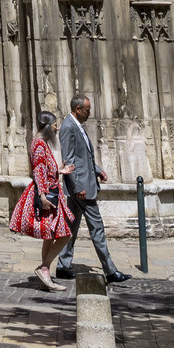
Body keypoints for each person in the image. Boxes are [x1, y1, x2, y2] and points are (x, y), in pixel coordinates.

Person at [54, 91, 130, 283]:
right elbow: (69, 160)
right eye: (87, 110)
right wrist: (78, 186)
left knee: (70, 227)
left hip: (81, 185)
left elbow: (83, 156)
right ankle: (110, 271)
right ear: (77, 109)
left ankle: (63, 266)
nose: (90, 113)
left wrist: (97, 170)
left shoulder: (77, 126)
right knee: (97, 228)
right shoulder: (68, 128)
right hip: (81, 190)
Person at [10, 110, 74, 289]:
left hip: (51, 192)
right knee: (65, 235)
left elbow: (44, 168)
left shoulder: (41, 143)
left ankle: (45, 274)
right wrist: (42, 196)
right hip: (48, 195)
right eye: (55, 125)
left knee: (49, 235)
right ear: (47, 127)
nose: (57, 128)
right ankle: (44, 267)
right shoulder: (39, 144)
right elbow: (38, 171)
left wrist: (58, 170)